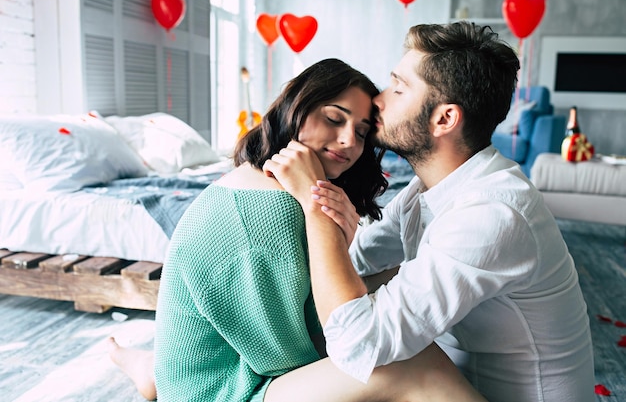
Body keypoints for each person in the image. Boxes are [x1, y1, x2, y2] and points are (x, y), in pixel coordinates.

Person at [109, 57, 486, 402]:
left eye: (361, 131)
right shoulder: (270, 214)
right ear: (296, 108)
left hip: (228, 364)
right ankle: (157, 373)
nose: (349, 142)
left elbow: (307, 296)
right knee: (410, 363)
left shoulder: (270, 183)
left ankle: (153, 371)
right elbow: (293, 355)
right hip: (230, 390)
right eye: (334, 119)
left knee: (396, 302)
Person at [263, 22, 595, 402]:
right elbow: (360, 262)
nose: (378, 100)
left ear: (444, 119)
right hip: (455, 381)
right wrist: (341, 231)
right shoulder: (431, 189)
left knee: (378, 356)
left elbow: (356, 343)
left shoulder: (492, 213)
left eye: (398, 88)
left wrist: (315, 204)